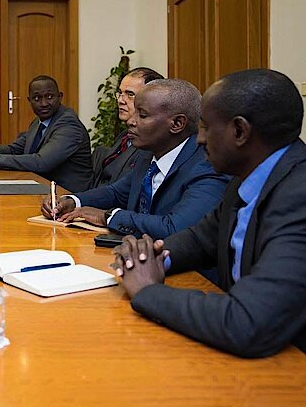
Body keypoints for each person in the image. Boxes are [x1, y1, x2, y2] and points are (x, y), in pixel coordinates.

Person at [113, 69, 306, 357]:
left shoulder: (299, 197)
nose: (199, 139)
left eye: (205, 127)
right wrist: (145, 257)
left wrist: (147, 291)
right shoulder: (247, 177)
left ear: (239, 131)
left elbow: (247, 322)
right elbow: (200, 239)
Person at [43, 79, 228, 238]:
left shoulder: (207, 166)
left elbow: (174, 228)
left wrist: (108, 217)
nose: (131, 121)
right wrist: (71, 201)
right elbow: (116, 193)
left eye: (143, 115)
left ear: (177, 124)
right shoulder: (148, 154)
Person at [0, 75, 92, 192]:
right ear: (29, 100)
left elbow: (41, 163)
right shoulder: (38, 122)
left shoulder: (69, 124)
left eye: (49, 97)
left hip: (67, 194)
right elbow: (15, 149)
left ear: (60, 97)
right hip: (41, 186)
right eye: (37, 98)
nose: (43, 104)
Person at [90, 67, 164, 188]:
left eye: (130, 94)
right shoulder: (124, 135)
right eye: (120, 93)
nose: (120, 100)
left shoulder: (151, 143)